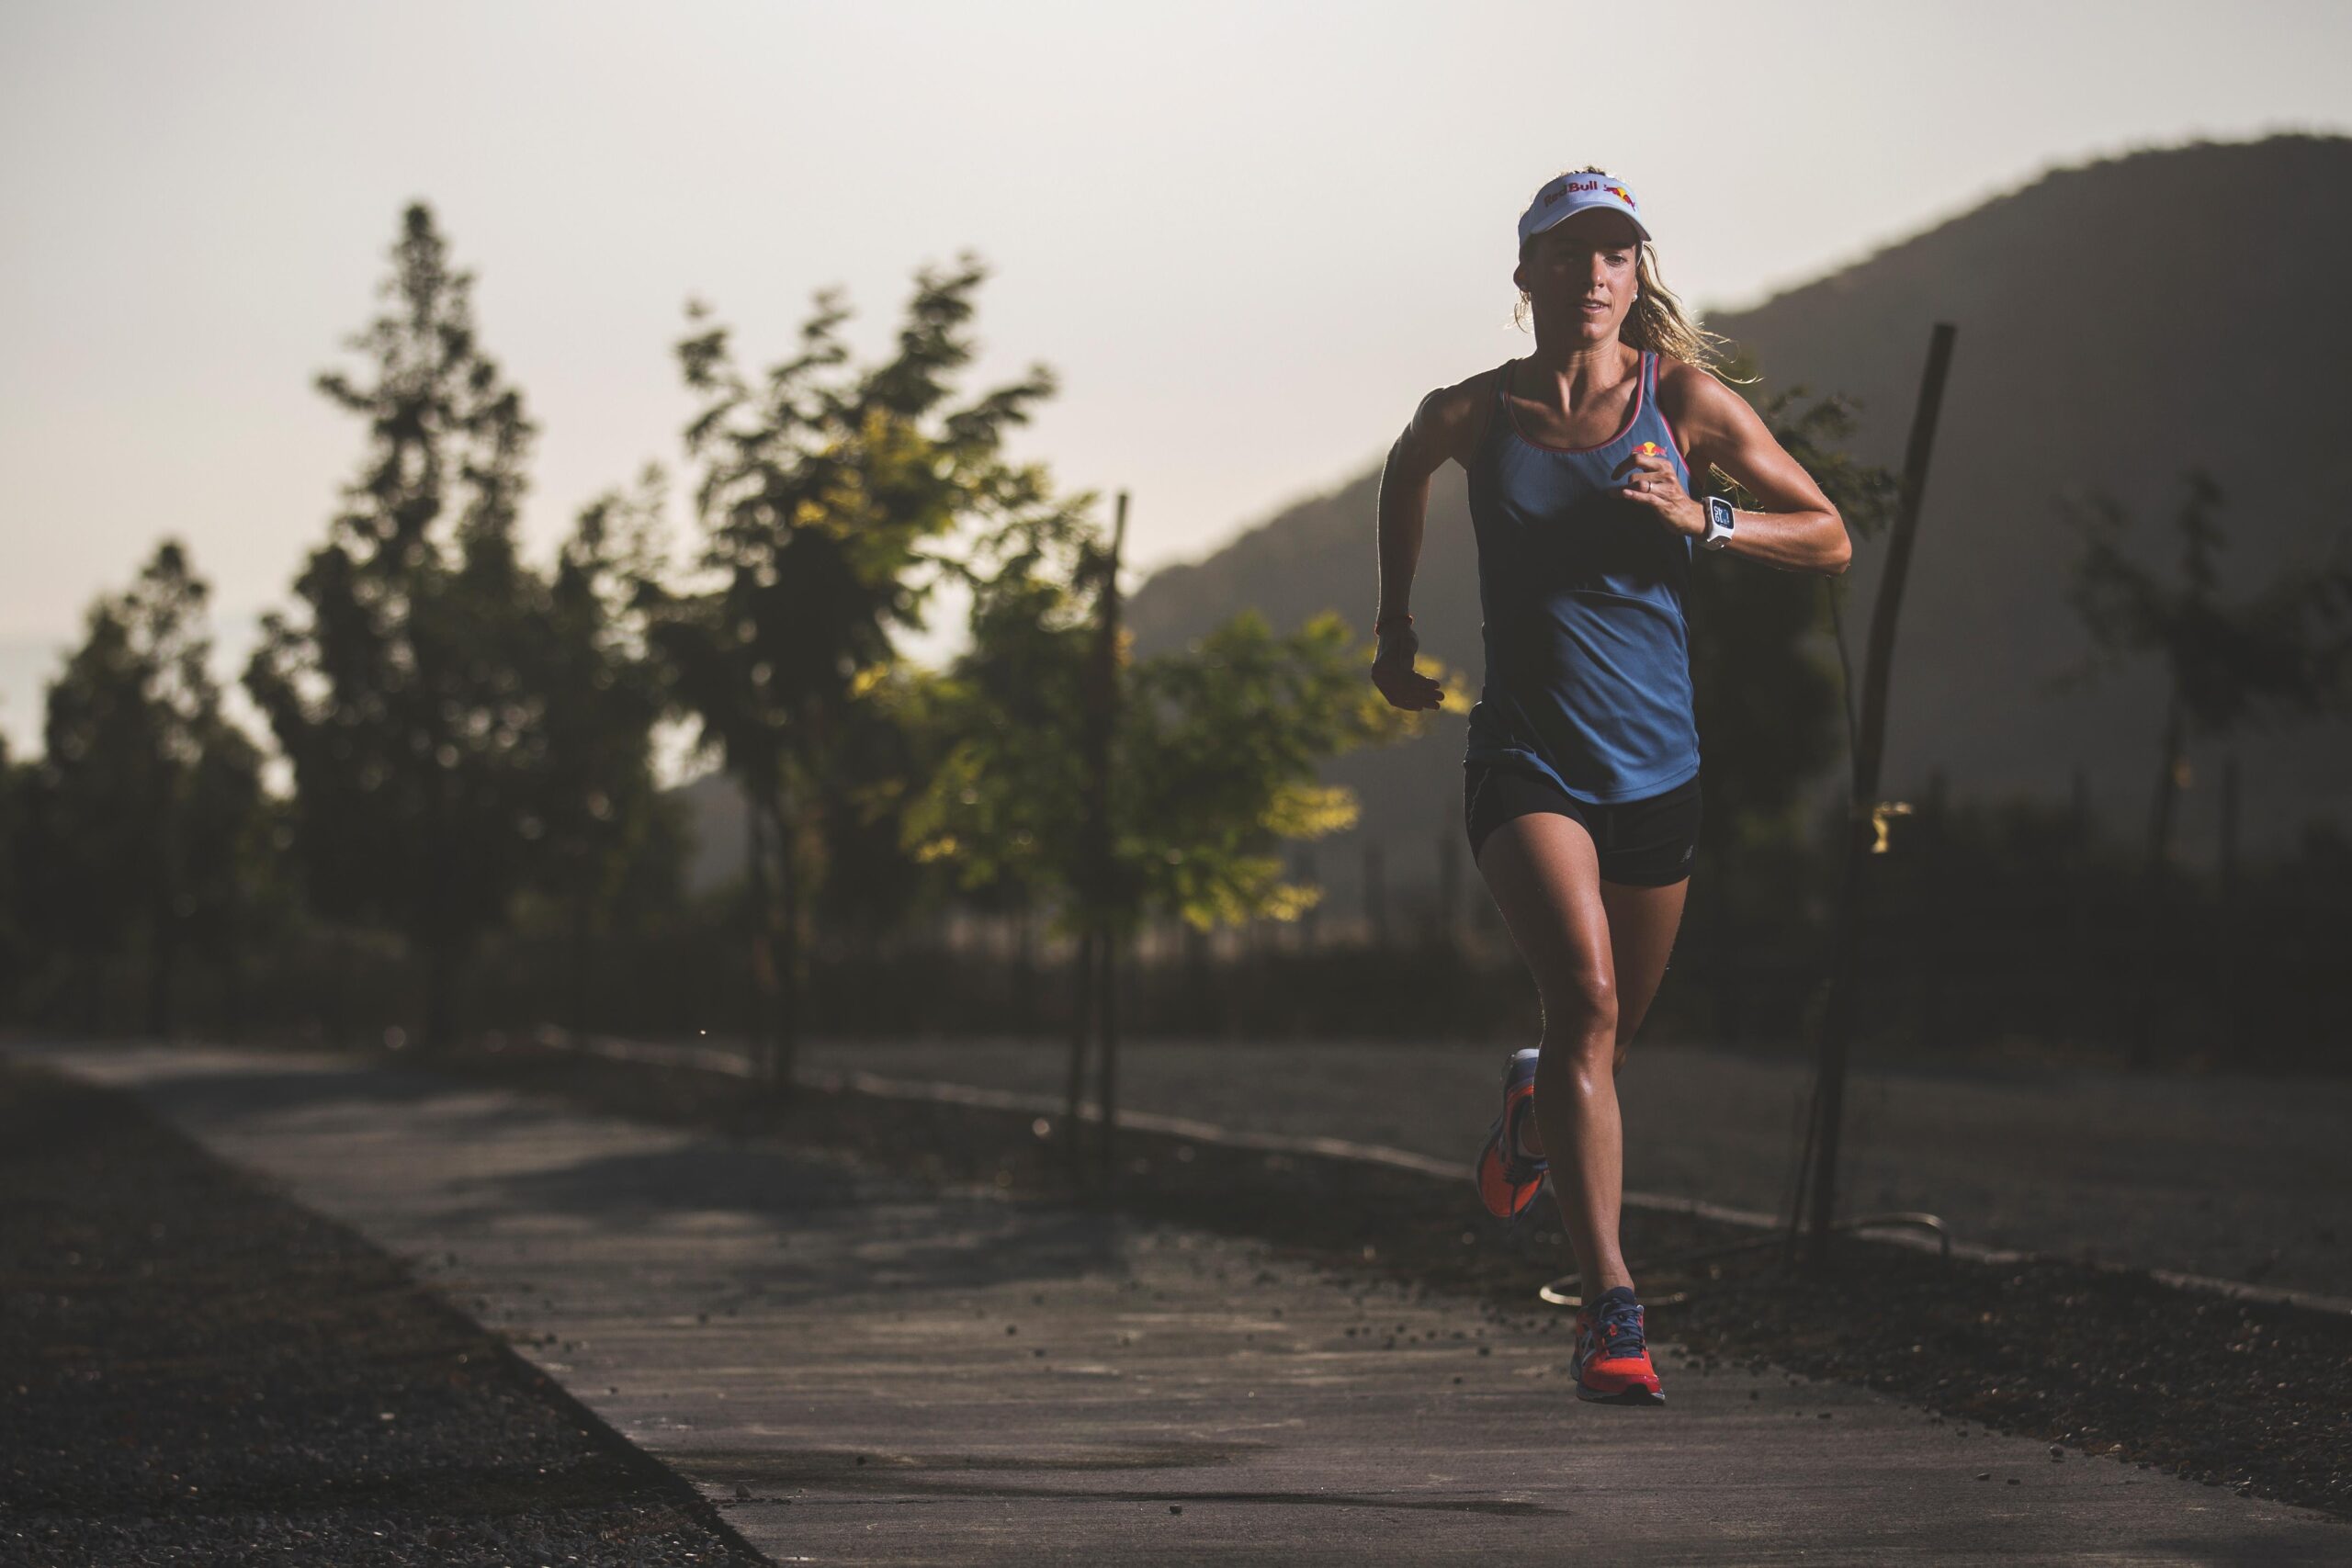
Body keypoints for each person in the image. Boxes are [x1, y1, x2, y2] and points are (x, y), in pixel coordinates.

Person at [1369, 167, 1851, 1405]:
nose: (1594, 273)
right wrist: (1394, 628)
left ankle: (1535, 1106)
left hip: (1659, 770)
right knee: (1584, 1003)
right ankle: (1611, 1308)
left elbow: (1829, 533)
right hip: (1527, 758)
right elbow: (1403, 470)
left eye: (1616, 253)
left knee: (1609, 1037)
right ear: (1525, 273)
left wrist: (1706, 520)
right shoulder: (1475, 412)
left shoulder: (1683, 402)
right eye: (1572, 251)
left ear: (1636, 276)